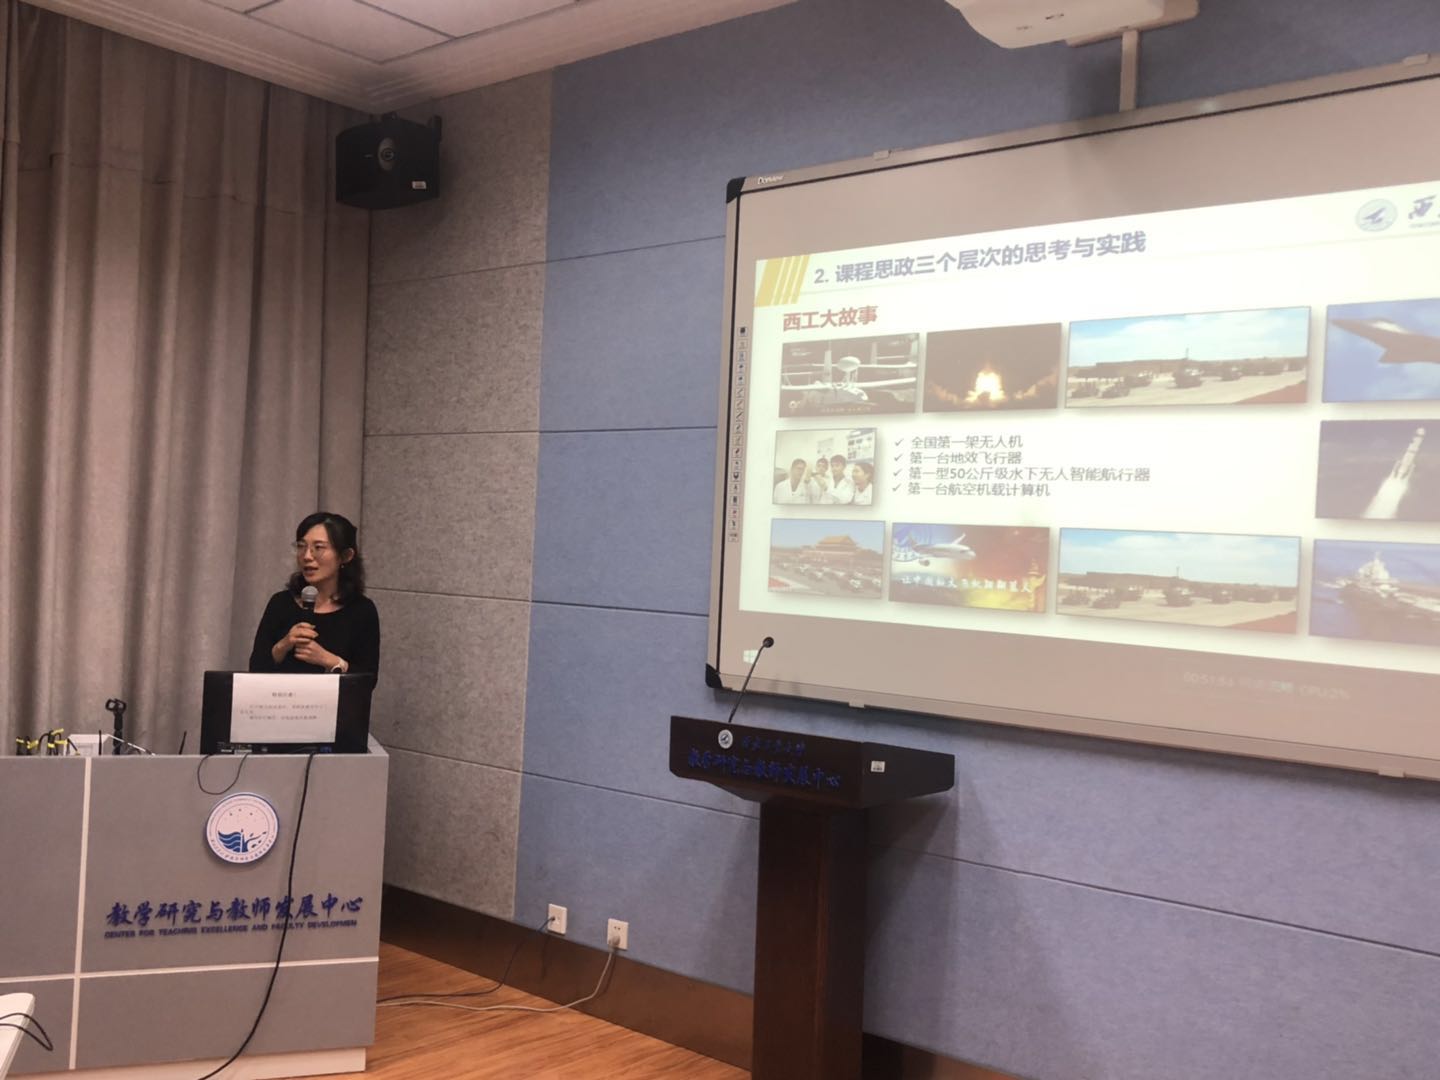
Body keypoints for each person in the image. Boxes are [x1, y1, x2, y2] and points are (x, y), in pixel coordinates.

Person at [248, 512, 380, 676]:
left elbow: (367, 680)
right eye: (301, 546)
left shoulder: (361, 610)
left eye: (318, 548)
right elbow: (255, 670)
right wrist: (283, 645)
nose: (307, 556)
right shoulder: (280, 603)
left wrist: (328, 660)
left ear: (345, 556)